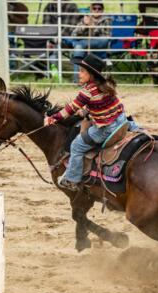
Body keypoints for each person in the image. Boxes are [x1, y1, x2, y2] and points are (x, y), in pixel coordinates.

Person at [43, 54, 139, 191]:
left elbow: (70, 109)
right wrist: (86, 111)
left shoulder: (87, 91)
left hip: (106, 128)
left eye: (82, 71)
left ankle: (72, 179)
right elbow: (100, 103)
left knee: (76, 146)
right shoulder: (105, 85)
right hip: (121, 120)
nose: (79, 74)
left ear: (91, 74)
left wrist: (53, 118)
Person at [70, 1, 112, 83]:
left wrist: (93, 27)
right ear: (91, 9)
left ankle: (80, 45)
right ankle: (78, 80)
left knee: (79, 45)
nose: (97, 10)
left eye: (99, 8)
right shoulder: (85, 18)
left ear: (102, 10)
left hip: (100, 44)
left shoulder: (107, 19)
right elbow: (74, 35)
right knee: (78, 49)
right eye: (94, 8)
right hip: (85, 46)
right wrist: (85, 25)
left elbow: (107, 36)